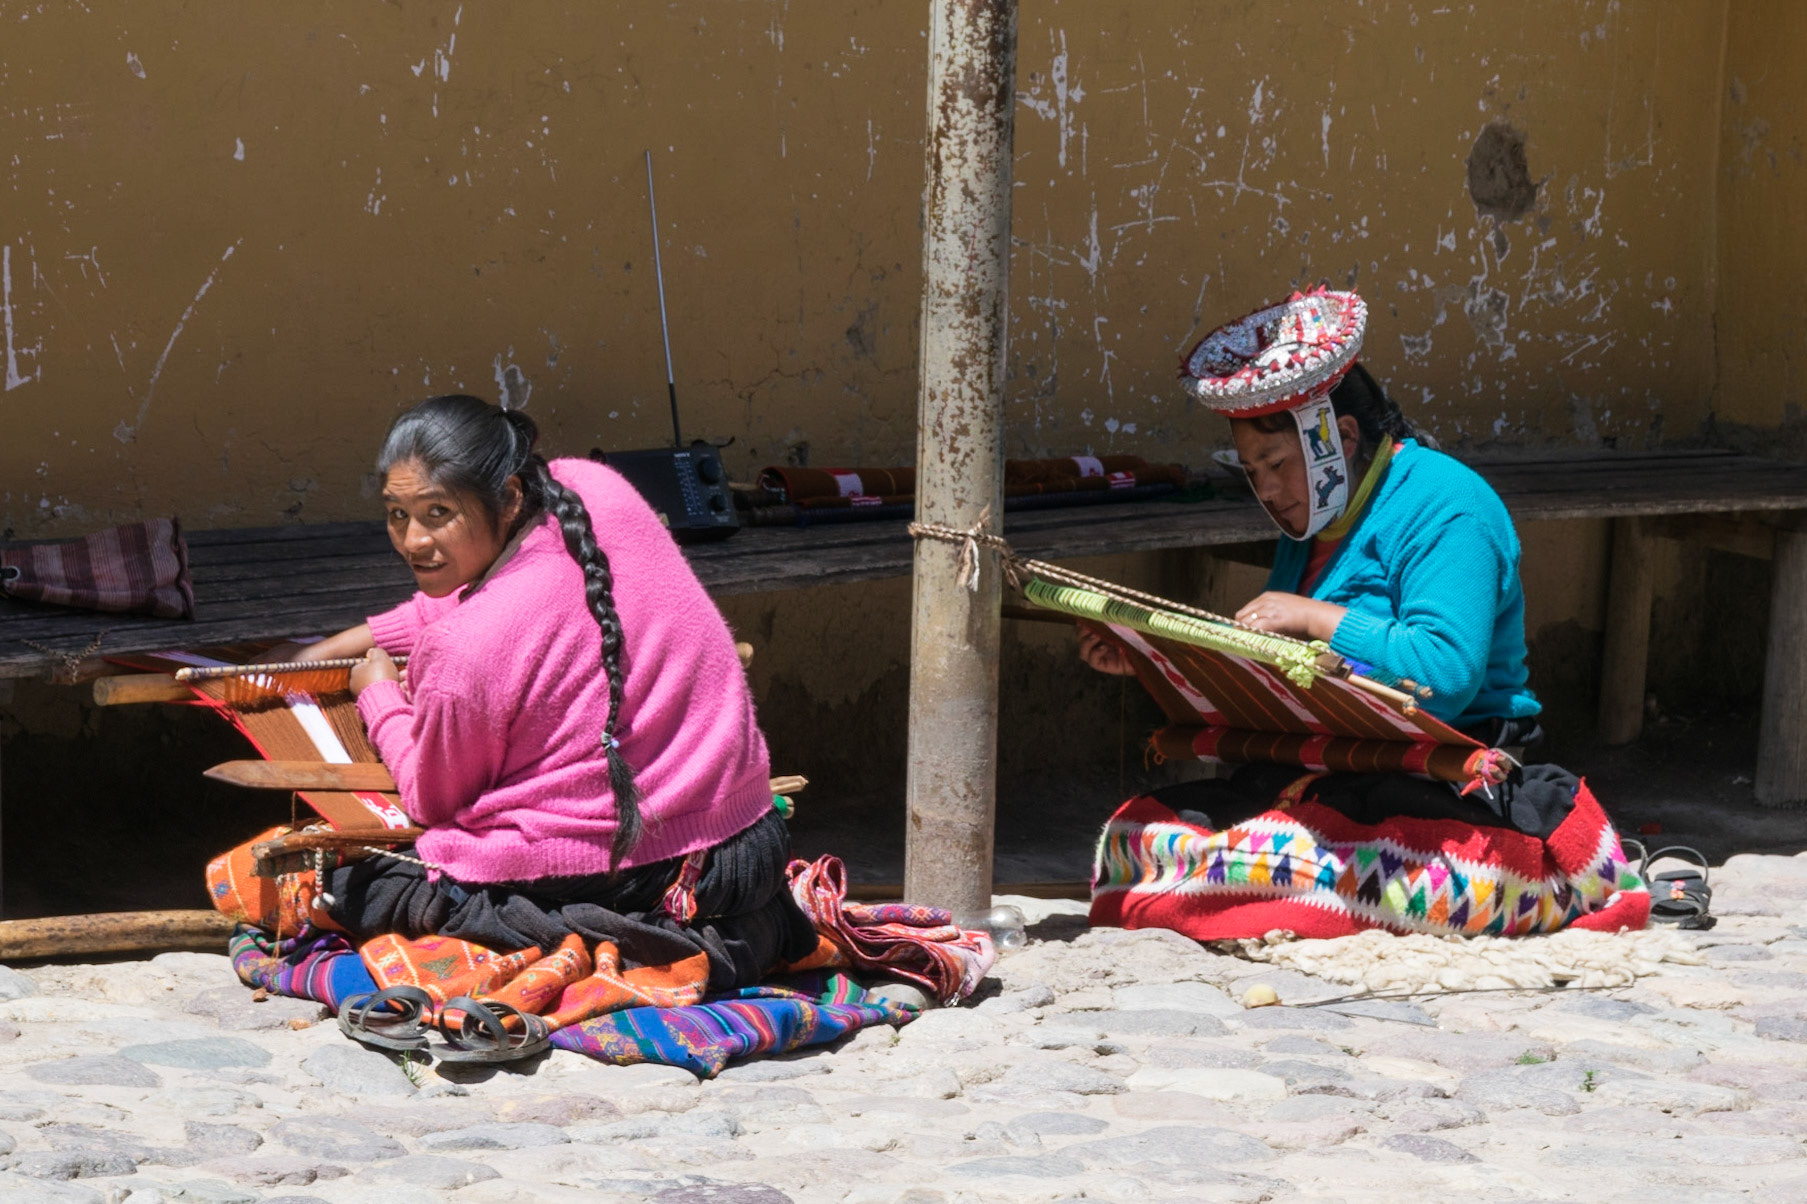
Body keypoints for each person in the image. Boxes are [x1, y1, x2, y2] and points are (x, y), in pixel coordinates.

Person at [294, 394, 817, 991]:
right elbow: (483, 590)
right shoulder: (592, 488)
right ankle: (725, 931)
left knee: (360, 884)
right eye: (396, 514)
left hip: (640, 867)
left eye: (438, 513)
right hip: (751, 847)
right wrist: (337, 645)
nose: (412, 541)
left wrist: (380, 695)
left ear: (509, 497)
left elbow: (429, 799)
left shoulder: (465, 648)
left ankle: (639, 937)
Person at [1079, 287, 1578, 841]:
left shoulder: (1449, 505)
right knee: (1140, 837)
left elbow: (1444, 678)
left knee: (1249, 866)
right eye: (1250, 469)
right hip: (1329, 770)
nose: (1265, 490)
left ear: (1339, 437)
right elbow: (1281, 672)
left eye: (1276, 463)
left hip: (1437, 781)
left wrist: (1313, 618)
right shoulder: (1317, 517)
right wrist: (1156, 660)